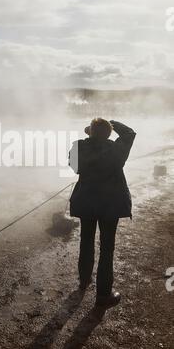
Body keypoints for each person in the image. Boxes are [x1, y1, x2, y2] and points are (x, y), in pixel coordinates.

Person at [69, 118, 136, 307]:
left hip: (87, 202)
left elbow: (74, 167)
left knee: (86, 240)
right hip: (110, 204)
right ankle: (103, 296)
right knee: (107, 249)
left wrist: (91, 134)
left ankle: (84, 281)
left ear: (90, 132)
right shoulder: (116, 150)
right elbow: (130, 133)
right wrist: (112, 123)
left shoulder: (79, 147)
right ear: (109, 133)